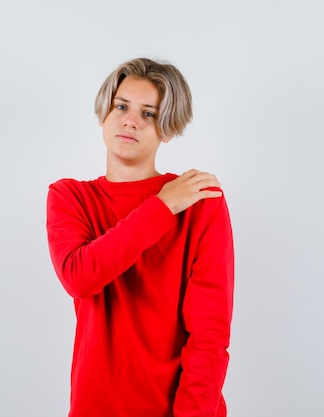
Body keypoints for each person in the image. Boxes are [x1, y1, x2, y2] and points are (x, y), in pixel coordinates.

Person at [46, 58, 234, 417]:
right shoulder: (70, 197)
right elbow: (80, 277)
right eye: (121, 106)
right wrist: (161, 206)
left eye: (148, 113)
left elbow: (209, 334)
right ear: (104, 114)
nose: (130, 120)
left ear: (167, 128)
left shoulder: (199, 200)